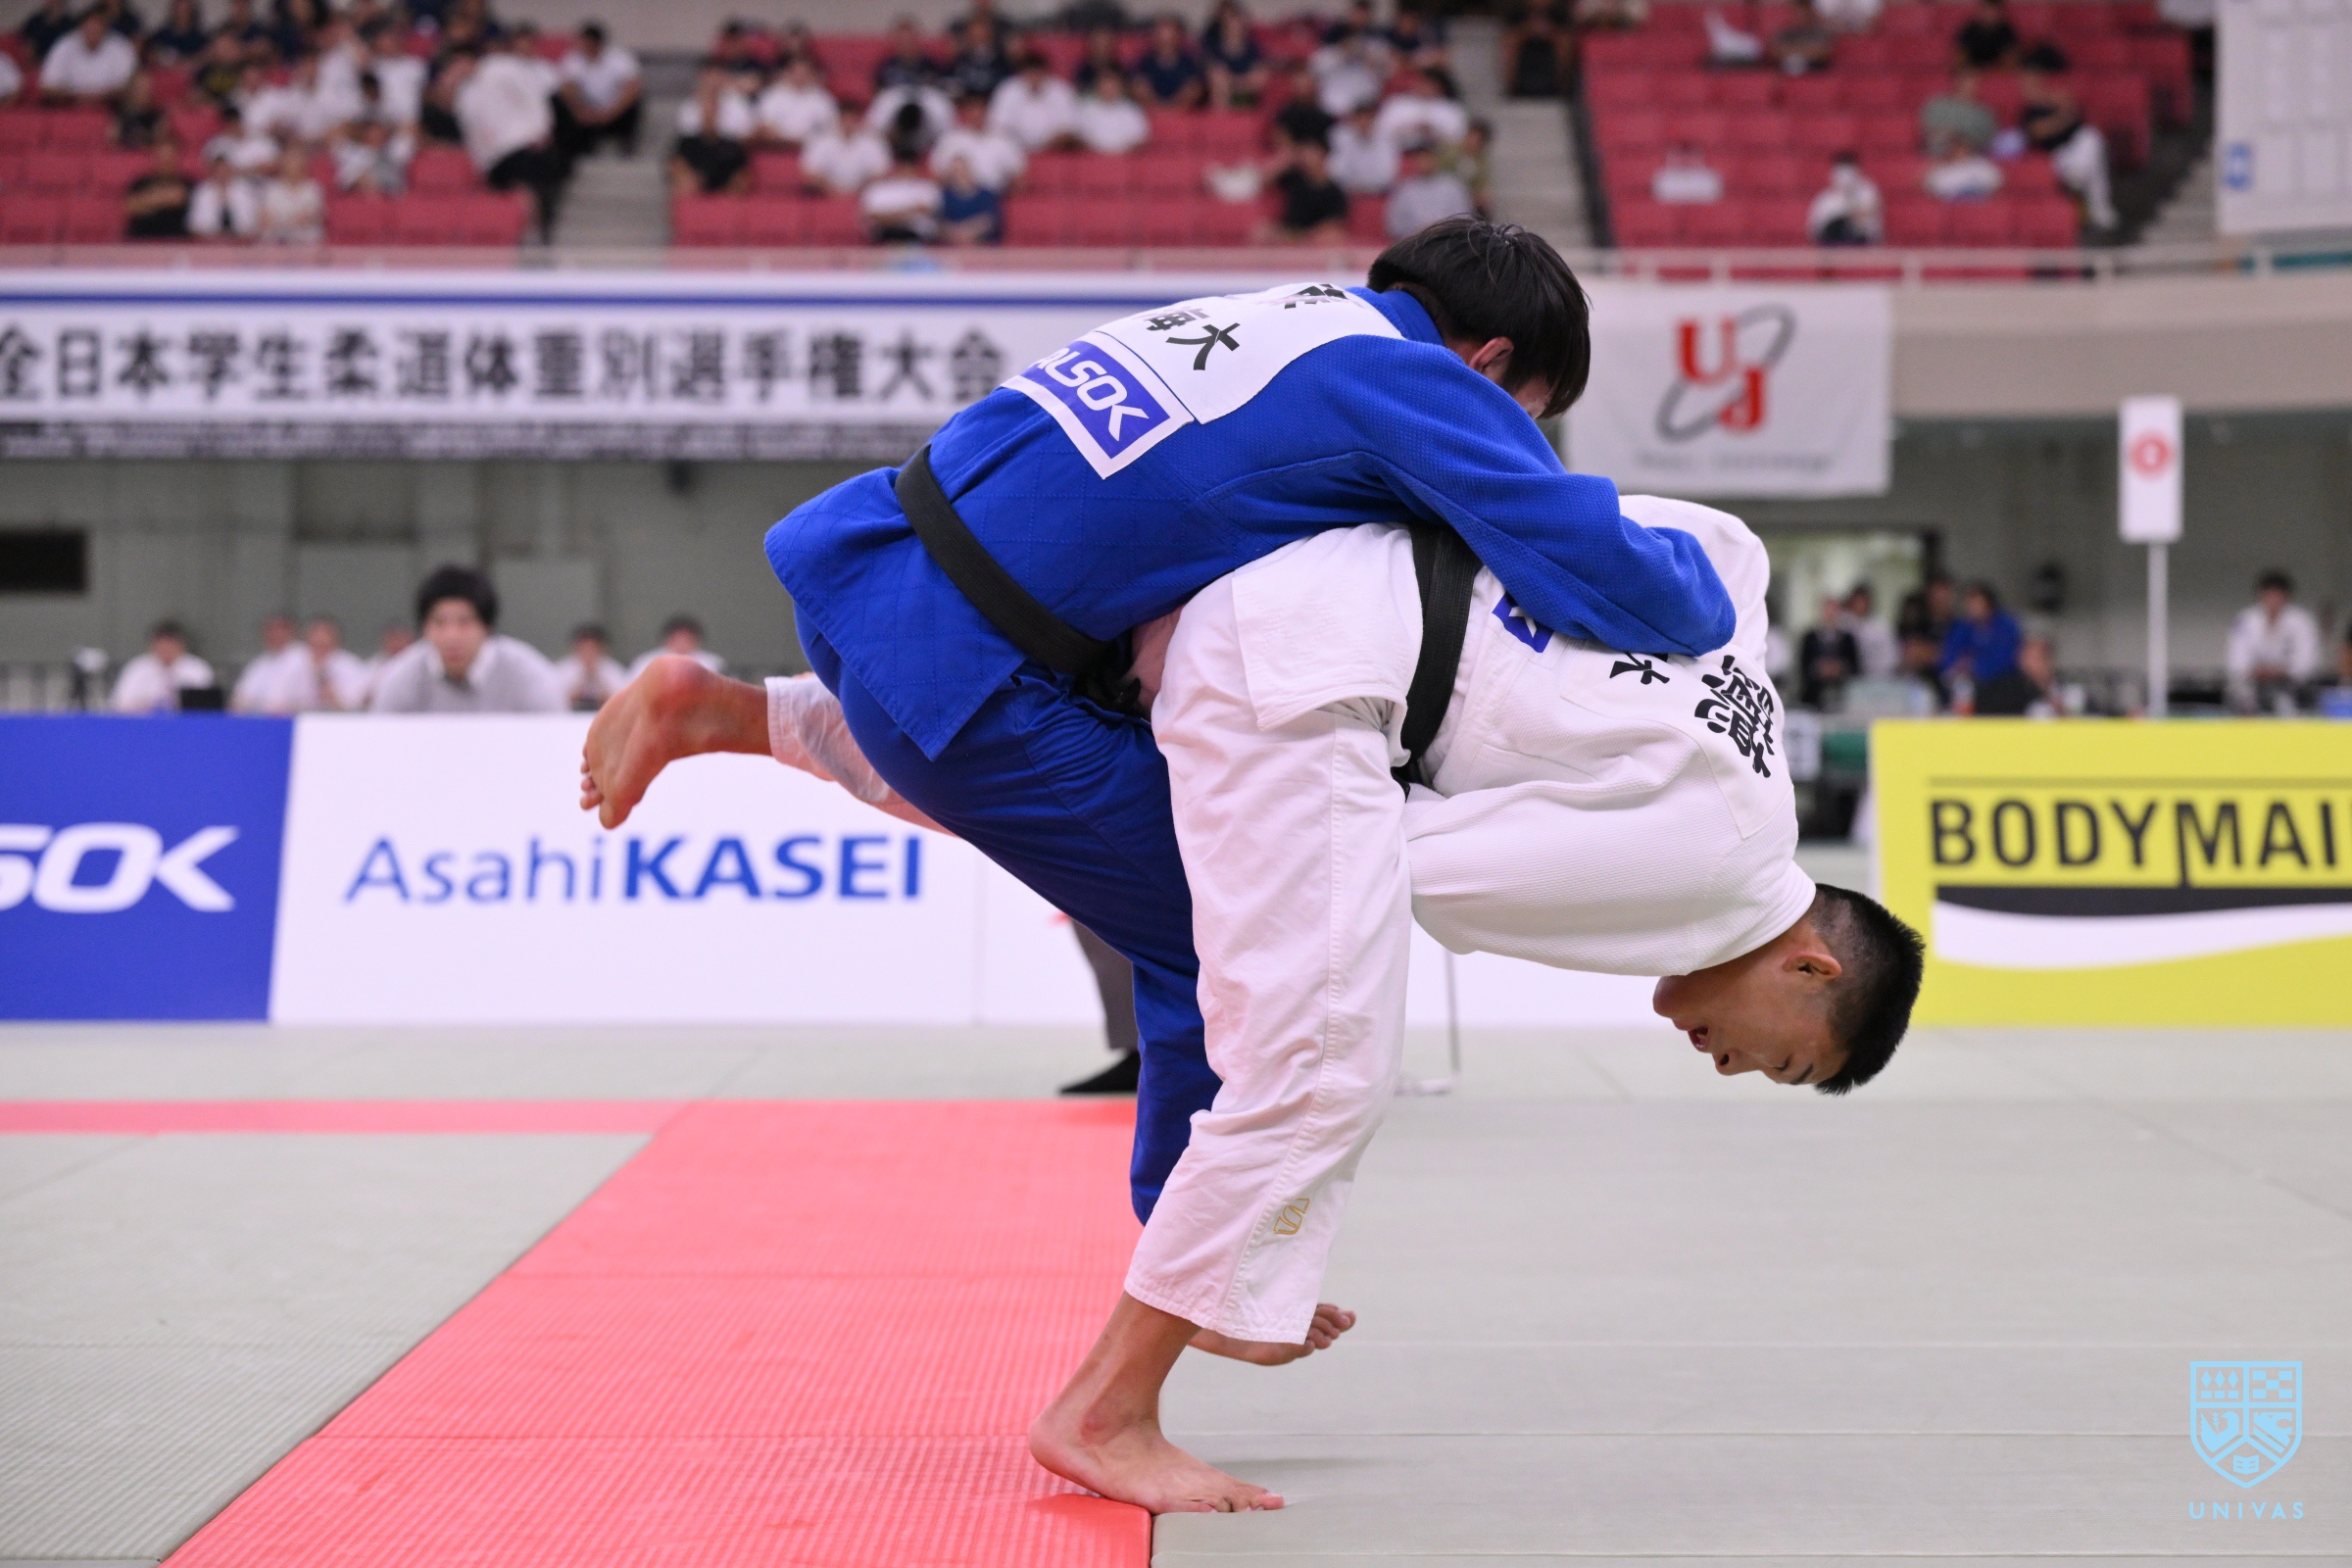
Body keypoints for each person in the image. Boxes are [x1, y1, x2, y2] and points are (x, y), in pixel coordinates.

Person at [581, 224, 1735, 1487]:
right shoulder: (1411, 380)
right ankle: (1139, 1363)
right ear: (1490, 360)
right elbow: (1620, 581)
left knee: (1172, 820)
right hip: (976, 681)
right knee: (1235, 927)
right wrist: (1724, 574)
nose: (1517, 437)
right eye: (1526, 414)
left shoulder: (1283, 316)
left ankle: (728, 711)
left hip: (870, 583)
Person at [580, 492, 1909, 1516]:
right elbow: (1381, 875)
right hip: (1304, 668)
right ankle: (1108, 1405)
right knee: (1327, 1059)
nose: (1734, 1066)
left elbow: (1715, 541)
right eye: (1784, 1063)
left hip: (1287, 572)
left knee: (1154, 861)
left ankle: (746, 716)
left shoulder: (1737, 660)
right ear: (1814, 967)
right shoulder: (1709, 870)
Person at [369, 565, 565, 713]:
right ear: (424, 629)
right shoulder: (401, 679)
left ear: (487, 628)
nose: (451, 636)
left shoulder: (529, 677)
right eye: (439, 623)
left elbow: (554, 739)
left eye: (464, 622)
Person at [450, 39, 566, 240]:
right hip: (493, 157)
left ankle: (533, 234)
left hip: (520, 142)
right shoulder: (464, 95)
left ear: (468, 59)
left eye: (459, 62)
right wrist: (480, 165)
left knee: (523, 189)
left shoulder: (501, 68)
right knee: (506, 198)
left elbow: (530, 95)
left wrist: (541, 129)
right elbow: (472, 135)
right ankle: (515, 236)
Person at [2225, 568, 2322, 713]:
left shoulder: (2302, 621)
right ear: (2260, 595)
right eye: (2269, 594)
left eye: (2277, 595)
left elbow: (2306, 663)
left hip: (2291, 687)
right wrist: (2257, 671)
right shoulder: (2245, 620)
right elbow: (2236, 661)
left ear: (2286, 596)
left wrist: (2280, 671)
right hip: (2253, 684)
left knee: (2285, 701)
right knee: (2240, 693)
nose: (2273, 600)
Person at [556, 22, 642, 160]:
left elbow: (632, 87)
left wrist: (610, 112)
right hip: (587, 108)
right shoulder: (573, 58)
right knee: (559, 102)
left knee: (636, 101)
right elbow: (567, 88)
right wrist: (580, 110)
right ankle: (580, 146)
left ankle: (625, 139)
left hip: (615, 109)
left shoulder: (620, 57)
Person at [670, 64, 755, 196]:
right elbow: (676, 162)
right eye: (705, 110)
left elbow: (742, 172)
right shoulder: (688, 143)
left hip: (724, 183)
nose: (708, 114)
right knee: (682, 181)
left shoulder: (732, 146)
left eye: (712, 110)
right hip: (695, 179)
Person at [111, 620, 217, 713]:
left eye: (170, 644)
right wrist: (147, 705)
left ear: (181, 645)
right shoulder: (137, 668)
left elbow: (208, 708)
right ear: (152, 645)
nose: (166, 649)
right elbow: (118, 704)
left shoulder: (198, 669)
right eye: (162, 644)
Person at [928, 90, 1022, 192]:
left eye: (980, 110)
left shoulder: (1004, 139)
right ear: (966, 112)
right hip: (958, 195)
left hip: (995, 195)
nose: (976, 114)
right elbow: (937, 177)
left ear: (988, 112)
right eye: (972, 110)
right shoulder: (951, 139)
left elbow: (1019, 178)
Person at [40, 8, 140, 102]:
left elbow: (132, 86)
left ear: (106, 28)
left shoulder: (120, 46)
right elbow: (48, 86)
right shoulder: (64, 45)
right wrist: (75, 97)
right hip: (69, 106)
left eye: (98, 27)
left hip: (111, 106)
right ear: (81, 27)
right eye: (89, 27)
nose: (93, 31)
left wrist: (99, 97)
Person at [988, 49, 1079, 152]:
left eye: (1038, 74)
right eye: (1030, 74)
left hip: (1052, 151)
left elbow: (1069, 130)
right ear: (1022, 74)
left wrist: (1043, 149)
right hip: (1015, 150)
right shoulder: (1008, 90)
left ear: (1046, 73)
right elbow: (998, 127)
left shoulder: (1061, 91)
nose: (1034, 78)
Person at [1383, 138, 1474, 240]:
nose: (1424, 161)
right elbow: (1395, 226)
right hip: (1414, 243)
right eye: (1420, 157)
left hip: (1448, 242)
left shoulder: (1453, 186)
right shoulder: (1405, 190)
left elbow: (1465, 220)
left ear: (1436, 158)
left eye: (1427, 157)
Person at [1938, 580, 2020, 694]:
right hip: (1968, 682)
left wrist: (1975, 666)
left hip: (2000, 682)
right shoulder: (1963, 626)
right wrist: (1958, 665)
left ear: (1988, 604)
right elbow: (1949, 653)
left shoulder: (2006, 626)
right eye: (1969, 603)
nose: (1972, 608)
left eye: (1977, 603)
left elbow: (2006, 659)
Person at [1260, 136, 1348, 241]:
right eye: (1304, 154)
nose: (1307, 158)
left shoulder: (1335, 191)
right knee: (1261, 231)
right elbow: (1265, 181)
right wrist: (1287, 159)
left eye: (1311, 154)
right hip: (1288, 231)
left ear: (1323, 155)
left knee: (1331, 237)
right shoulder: (1294, 179)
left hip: (1315, 235)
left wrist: (1307, 236)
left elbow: (1334, 222)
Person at [860, 141, 943, 243]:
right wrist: (911, 211)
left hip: (917, 238)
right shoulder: (878, 189)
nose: (906, 169)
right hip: (884, 238)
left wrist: (889, 216)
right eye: (903, 164)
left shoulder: (927, 188)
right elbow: (873, 216)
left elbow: (928, 211)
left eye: (910, 165)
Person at [756, 53, 837, 148]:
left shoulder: (823, 99)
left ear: (811, 74)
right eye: (797, 72)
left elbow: (831, 127)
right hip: (778, 146)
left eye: (804, 72)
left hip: (811, 147)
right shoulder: (772, 95)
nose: (800, 76)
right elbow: (762, 124)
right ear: (789, 73)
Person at [1971, 629, 2056, 716]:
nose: (2034, 662)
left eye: (2043, 656)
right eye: (2030, 656)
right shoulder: (2003, 692)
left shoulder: (2059, 687)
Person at [231, 612, 305, 711]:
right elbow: (240, 698)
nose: (275, 634)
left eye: (280, 629)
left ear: (291, 630)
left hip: (295, 717)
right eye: (270, 629)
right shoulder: (259, 662)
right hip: (258, 717)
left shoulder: (302, 656)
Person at [1796, 595, 1860, 709]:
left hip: (1842, 694)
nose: (1830, 614)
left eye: (1834, 610)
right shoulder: (1809, 638)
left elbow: (1856, 666)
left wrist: (1840, 668)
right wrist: (1819, 669)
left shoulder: (1848, 639)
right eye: (1827, 610)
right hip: (1813, 697)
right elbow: (1803, 666)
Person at [1200, 1, 1267, 109]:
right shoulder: (1212, 45)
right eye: (1229, 23)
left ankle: (1245, 110)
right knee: (1218, 77)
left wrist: (1243, 82)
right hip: (1222, 85)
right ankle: (1222, 115)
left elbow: (1259, 67)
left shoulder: (1253, 46)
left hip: (1244, 84)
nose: (1234, 26)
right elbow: (1210, 67)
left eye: (1237, 22)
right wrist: (1230, 80)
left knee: (1261, 75)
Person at [255, 141, 324, 244]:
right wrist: (288, 222)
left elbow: (306, 218)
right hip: (275, 241)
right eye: (290, 161)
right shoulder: (271, 189)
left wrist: (281, 222)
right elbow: (265, 219)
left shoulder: (313, 189)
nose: (293, 165)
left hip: (305, 241)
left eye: (296, 161)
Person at [123, 139, 194, 239]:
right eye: (162, 157)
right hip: (141, 240)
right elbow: (131, 207)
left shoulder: (189, 184)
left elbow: (180, 198)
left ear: (177, 158)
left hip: (177, 242)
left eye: (169, 158)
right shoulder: (140, 183)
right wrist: (165, 198)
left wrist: (147, 201)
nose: (165, 162)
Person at [1806, 151, 1882, 245]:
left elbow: (1865, 214)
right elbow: (1814, 230)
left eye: (1848, 172)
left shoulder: (1868, 191)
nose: (1844, 177)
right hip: (1831, 248)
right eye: (1840, 172)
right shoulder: (1824, 199)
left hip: (1862, 246)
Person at [1132, 15, 1204, 110]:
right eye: (1161, 36)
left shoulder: (1191, 63)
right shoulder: (1143, 62)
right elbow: (1138, 88)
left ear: (1179, 37)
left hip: (1183, 114)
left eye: (1170, 37)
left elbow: (1195, 89)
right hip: (1151, 112)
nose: (1165, 42)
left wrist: (1173, 108)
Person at [1920, 69, 1997, 157]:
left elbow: (1987, 139)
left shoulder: (1984, 113)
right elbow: (1929, 134)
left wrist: (1963, 143)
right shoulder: (1937, 105)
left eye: (1975, 82)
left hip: (1971, 156)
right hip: (1938, 155)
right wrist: (1951, 138)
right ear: (1957, 82)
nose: (1972, 85)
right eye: (1967, 81)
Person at [553, 623, 630, 710]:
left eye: (592, 648)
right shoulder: (564, 669)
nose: (589, 652)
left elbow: (621, 701)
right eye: (585, 647)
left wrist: (597, 679)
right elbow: (556, 700)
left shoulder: (612, 670)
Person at [627, 613, 724, 681]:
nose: (682, 643)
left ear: (697, 640)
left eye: (687, 638)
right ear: (666, 639)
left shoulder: (713, 663)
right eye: (678, 638)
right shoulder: (646, 662)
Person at [1073, 71, 1148, 156]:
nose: (1108, 90)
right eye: (1105, 86)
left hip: (1125, 159)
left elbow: (1139, 140)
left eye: (1112, 86)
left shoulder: (1131, 110)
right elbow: (1078, 138)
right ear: (1098, 87)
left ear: (1120, 88)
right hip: (1092, 158)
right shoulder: (1086, 109)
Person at [1327, 103, 1396, 196]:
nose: (1363, 123)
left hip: (1380, 194)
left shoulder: (1386, 140)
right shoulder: (1342, 139)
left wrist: (1366, 187)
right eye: (1360, 119)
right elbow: (1337, 171)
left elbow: (1388, 174)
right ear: (1353, 121)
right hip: (1350, 194)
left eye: (1367, 119)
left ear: (1373, 120)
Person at [186, 150, 260, 237]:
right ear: (212, 171)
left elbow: (254, 223)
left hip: (241, 240)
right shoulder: (203, 191)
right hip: (209, 241)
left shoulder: (244, 189)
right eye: (219, 170)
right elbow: (194, 224)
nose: (222, 173)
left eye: (225, 170)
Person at [937, 154, 1004, 244]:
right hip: (951, 245)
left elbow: (990, 220)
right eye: (955, 170)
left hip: (983, 245)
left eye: (962, 169)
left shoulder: (985, 194)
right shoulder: (943, 196)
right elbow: (939, 222)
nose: (959, 174)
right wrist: (955, 234)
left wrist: (970, 232)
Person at [1768, 0, 1837, 74]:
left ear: (1810, 13)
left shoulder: (1820, 32)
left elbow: (1822, 52)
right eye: (1797, 12)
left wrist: (1792, 52)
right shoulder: (1786, 32)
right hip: (1785, 75)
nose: (1800, 16)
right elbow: (1774, 51)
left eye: (1803, 12)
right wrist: (1802, 52)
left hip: (1815, 74)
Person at [1844, 583, 1897, 677]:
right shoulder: (1845, 625)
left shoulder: (1881, 626)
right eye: (1857, 601)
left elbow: (1890, 656)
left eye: (1862, 601)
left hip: (1878, 676)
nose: (1859, 605)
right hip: (1852, 677)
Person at [1923, 142, 2001, 201]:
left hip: (1981, 205)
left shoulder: (1981, 165)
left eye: (1962, 150)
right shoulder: (1939, 170)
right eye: (1955, 150)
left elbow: (1995, 182)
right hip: (1951, 207)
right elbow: (1934, 190)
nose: (1959, 153)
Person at [1652, 142, 1724, 205]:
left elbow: (1712, 198)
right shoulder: (1662, 178)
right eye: (1680, 156)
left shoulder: (1710, 178)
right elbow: (1662, 199)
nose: (1685, 160)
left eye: (1690, 156)